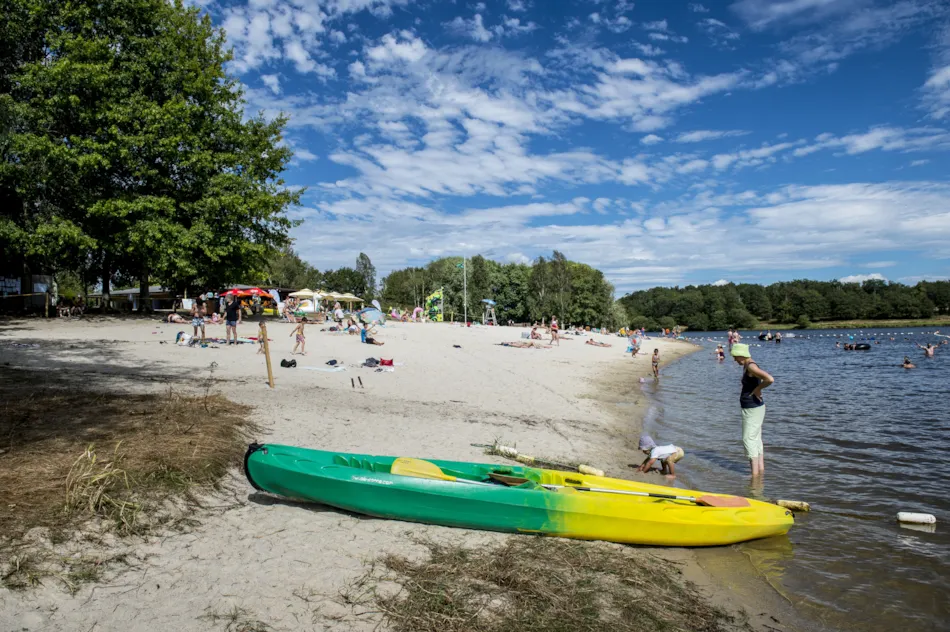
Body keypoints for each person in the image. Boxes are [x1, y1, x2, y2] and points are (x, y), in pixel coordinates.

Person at [730, 343, 774, 478]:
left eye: (735, 357)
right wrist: (757, 389)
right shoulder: (749, 365)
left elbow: (769, 379)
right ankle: (760, 472)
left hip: (752, 408)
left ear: (741, 355)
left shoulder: (751, 366)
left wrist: (758, 389)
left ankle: (754, 477)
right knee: (756, 439)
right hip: (755, 407)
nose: (734, 360)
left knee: (748, 439)